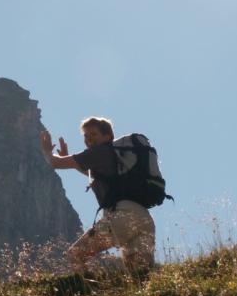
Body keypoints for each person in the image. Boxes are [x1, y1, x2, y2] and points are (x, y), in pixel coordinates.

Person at [40, 117, 155, 273]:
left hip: (121, 216)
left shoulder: (99, 152)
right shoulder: (118, 159)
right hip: (144, 219)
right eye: (86, 136)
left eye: (93, 134)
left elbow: (55, 163)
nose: (89, 139)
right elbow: (99, 176)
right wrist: (73, 163)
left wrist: (47, 151)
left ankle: (88, 287)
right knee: (140, 275)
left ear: (108, 136)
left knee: (75, 255)